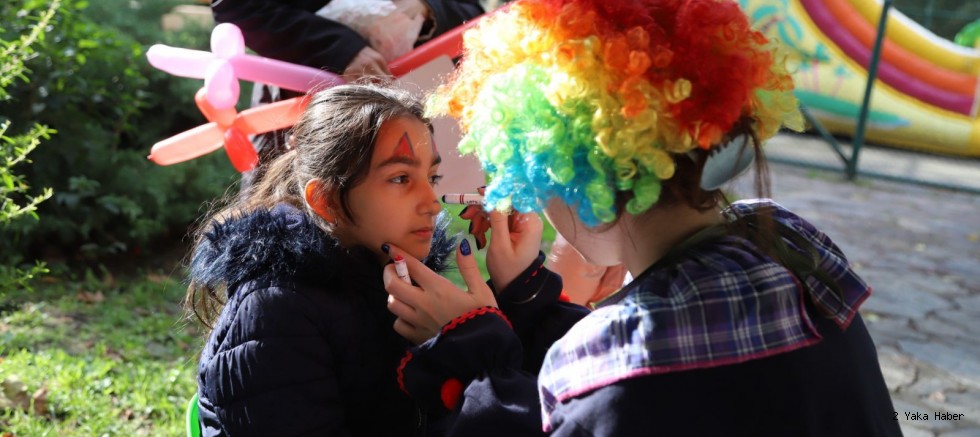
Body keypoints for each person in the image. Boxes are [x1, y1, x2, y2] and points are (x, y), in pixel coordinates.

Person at [383, 0, 902, 435]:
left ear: (567, 169)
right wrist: (527, 293)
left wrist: (468, 347)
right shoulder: (795, 244)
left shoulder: (605, 366)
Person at [185, 83, 469, 436]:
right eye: (400, 178)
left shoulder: (400, 279)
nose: (432, 202)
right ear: (326, 200)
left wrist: (513, 288)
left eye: (432, 177)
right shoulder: (276, 311)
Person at [209, 0, 484, 171]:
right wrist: (341, 50)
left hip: (403, 120)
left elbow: (472, 13)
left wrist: (427, 8)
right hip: (300, 115)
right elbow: (236, 6)